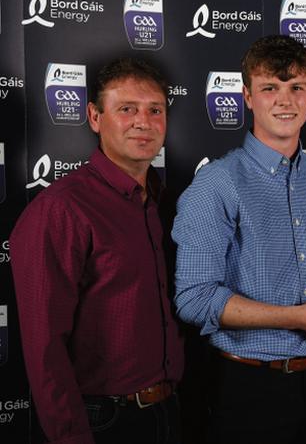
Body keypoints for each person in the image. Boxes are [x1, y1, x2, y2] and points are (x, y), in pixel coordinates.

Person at [171, 35, 306, 444]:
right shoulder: (217, 184)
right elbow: (194, 299)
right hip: (250, 388)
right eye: (270, 88)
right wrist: (297, 317)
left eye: (296, 87)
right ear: (247, 96)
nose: (285, 101)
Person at [10, 58, 184, 444]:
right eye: (127, 109)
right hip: (104, 422)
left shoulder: (155, 201)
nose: (144, 121)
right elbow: (44, 346)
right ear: (94, 116)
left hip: (166, 412)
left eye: (155, 110)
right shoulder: (62, 209)